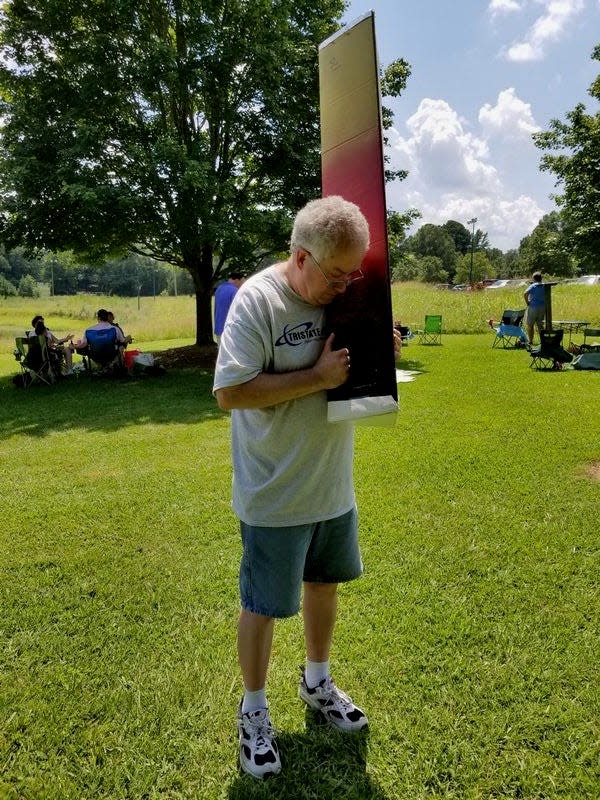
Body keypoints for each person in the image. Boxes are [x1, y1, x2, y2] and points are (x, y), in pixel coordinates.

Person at [214, 195, 394, 780]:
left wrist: (379, 354)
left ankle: (317, 681)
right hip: (275, 493)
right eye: (336, 274)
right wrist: (314, 377)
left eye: (353, 273)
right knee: (264, 605)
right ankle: (254, 710)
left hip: (332, 485)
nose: (346, 286)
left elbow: (353, 370)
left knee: (325, 586)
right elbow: (231, 392)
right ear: (300, 256)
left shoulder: (345, 294)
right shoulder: (257, 302)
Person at [214, 272, 244, 341]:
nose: (242, 285)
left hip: (219, 328)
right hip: (231, 330)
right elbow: (238, 311)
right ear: (237, 280)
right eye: (242, 282)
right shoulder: (235, 291)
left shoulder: (219, 289)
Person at [524, 272, 545, 345]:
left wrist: (527, 302)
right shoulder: (544, 285)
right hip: (542, 307)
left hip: (533, 307)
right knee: (540, 325)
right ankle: (543, 341)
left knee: (530, 325)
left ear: (534, 279)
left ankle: (530, 341)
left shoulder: (533, 285)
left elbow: (525, 293)